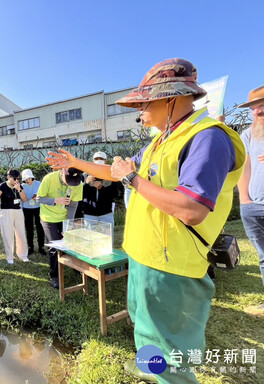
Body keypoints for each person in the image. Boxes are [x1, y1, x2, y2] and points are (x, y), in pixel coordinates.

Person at [47, 58, 245, 383]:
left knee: (170, 357)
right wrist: (77, 162)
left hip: (170, 268)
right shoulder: (160, 141)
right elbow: (115, 171)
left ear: (172, 98)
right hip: (142, 257)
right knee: (144, 327)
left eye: (143, 103)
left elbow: (192, 208)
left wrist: (133, 180)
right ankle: (149, 368)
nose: (139, 113)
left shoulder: (208, 138)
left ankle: (163, 374)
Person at [237, 85, 264, 317]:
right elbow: (244, 167)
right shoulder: (248, 134)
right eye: (254, 108)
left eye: (262, 106)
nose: (257, 111)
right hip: (253, 206)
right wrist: (244, 199)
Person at [36, 168, 83, 288]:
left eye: (73, 182)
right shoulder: (49, 179)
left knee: (71, 243)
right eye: (68, 181)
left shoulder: (78, 183)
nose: (70, 184)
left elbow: (73, 206)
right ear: (62, 172)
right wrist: (55, 200)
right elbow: (38, 199)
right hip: (48, 217)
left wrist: (68, 226)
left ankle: (76, 267)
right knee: (54, 246)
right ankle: (54, 276)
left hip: (64, 217)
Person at [80, 151, 120, 234]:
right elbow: (80, 195)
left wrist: (101, 188)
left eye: (101, 159)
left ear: (106, 161)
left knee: (107, 240)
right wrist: (86, 183)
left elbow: (114, 193)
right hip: (89, 214)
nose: (98, 160)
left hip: (106, 213)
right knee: (90, 240)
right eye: (96, 159)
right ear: (92, 161)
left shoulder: (112, 175)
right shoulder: (85, 175)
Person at [0, 169, 29, 264]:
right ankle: (10, 256)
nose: (16, 181)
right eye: (14, 179)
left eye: (18, 179)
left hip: (17, 211)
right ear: (9, 177)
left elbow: (25, 199)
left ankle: (23, 254)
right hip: (6, 212)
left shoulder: (19, 186)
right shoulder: (3, 186)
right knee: (7, 234)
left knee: (21, 233)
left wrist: (19, 189)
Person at [21, 169, 46, 256]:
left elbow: (44, 195)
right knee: (29, 228)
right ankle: (30, 247)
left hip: (38, 208)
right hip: (27, 209)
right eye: (26, 179)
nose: (28, 181)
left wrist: (38, 197)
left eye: (29, 178)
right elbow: (21, 200)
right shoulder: (22, 186)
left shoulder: (39, 184)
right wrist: (22, 212)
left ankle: (41, 247)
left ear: (32, 177)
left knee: (40, 227)